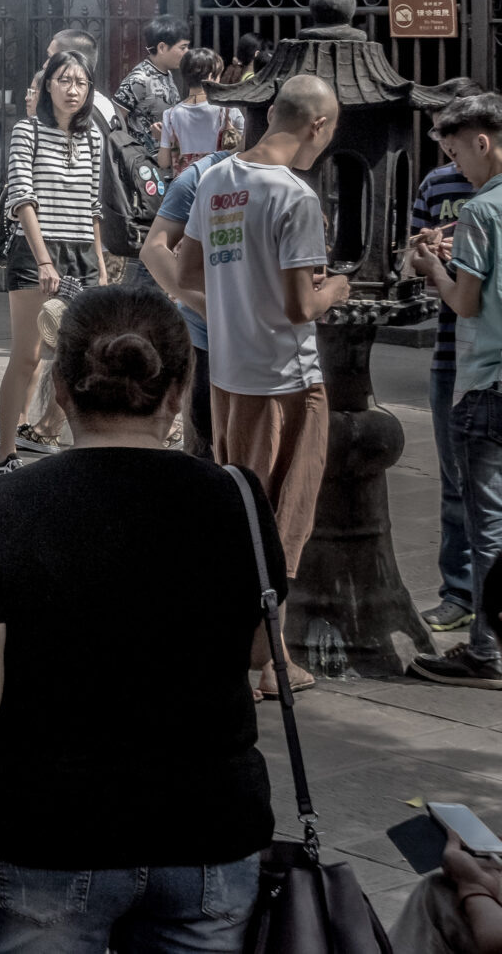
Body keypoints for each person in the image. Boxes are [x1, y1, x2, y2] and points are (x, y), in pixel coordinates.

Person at [0, 282, 281, 954]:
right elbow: (260, 649)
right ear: (178, 389)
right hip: (210, 833)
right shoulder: (238, 498)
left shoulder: (4, 506)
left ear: (60, 387)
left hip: (48, 833)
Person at [179, 72, 345, 694]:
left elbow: (187, 272)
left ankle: (250, 650)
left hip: (228, 374)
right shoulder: (295, 198)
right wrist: (337, 288)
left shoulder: (216, 178)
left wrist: (235, 302)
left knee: (240, 514)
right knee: (282, 520)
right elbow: (302, 306)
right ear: (317, 125)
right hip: (286, 381)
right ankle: (266, 659)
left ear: (273, 111)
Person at [407, 94, 502, 689]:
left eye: (457, 153)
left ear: (482, 142)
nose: (455, 167)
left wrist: (434, 269)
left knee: (486, 523)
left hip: (486, 380)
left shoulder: (482, 211)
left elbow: (465, 302)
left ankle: (486, 650)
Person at [0, 51, 106, 471]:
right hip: (36, 251)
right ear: (47, 86)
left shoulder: (94, 137)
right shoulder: (28, 130)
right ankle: (7, 453)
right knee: (28, 355)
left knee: (82, 356)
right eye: (64, 80)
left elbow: (94, 206)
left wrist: (101, 266)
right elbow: (23, 196)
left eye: (81, 82)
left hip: (82, 253)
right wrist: (43, 261)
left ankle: (82, 448)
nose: (73, 90)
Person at [414, 136, 485, 634]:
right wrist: (428, 255)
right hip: (450, 352)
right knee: (456, 482)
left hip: (487, 354)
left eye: (454, 144)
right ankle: (460, 592)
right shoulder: (436, 185)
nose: (448, 154)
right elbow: (413, 264)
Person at [139, 148, 231, 456]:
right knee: (205, 448)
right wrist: (208, 308)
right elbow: (154, 250)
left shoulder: (302, 172)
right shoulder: (201, 176)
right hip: (206, 344)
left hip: (274, 350)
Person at [159, 47, 245, 175]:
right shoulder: (228, 110)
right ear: (210, 76)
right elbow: (246, 147)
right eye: (218, 75)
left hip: (185, 184)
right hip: (218, 183)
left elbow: (164, 162)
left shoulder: (170, 115)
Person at [114, 16, 192, 144]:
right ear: (162, 48)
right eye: (182, 48)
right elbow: (114, 119)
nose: (187, 52)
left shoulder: (167, 74)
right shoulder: (139, 79)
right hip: (144, 155)